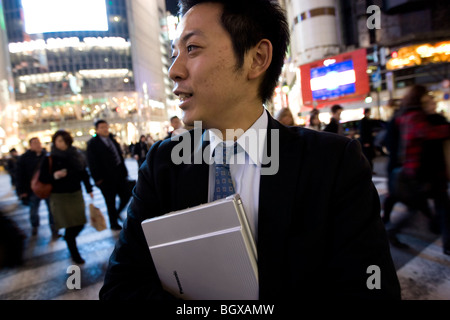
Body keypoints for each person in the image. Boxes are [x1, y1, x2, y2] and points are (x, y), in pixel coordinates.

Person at [100, 0, 400, 300]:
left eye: (192, 49)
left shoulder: (333, 163)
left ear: (257, 58)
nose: (174, 71)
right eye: (175, 53)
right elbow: (120, 285)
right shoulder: (164, 163)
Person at [383, 85, 450, 252]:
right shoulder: (413, 116)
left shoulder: (411, 115)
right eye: (427, 97)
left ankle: (443, 237)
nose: (431, 100)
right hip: (418, 172)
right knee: (423, 208)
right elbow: (425, 132)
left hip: (422, 171)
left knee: (430, 207)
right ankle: (391, 230)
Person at [37, 130, 94, 264]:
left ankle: (69, 238)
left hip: (75, 193)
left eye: (63, 140)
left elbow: (83, 172)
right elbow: (42, 178)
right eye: (58, 141)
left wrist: (89, 188)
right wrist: (54, 176)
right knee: (69, 225)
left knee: (80, 222)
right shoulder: (49, 158)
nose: (60, 143)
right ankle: (74, 252)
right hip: (59, 196)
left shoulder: (76, 154)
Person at [86, 120, 132, 230]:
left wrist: (124, 172)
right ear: (97, 130)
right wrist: (98, 179)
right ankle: (113, 223)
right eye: (102, 127)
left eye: (106, 127)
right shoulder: (92, 143)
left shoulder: (112, 139)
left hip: (119, 176)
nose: (105, 129)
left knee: (126, 194)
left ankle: (116, 213)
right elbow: (91, 163)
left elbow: (119, 157)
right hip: (105, 179)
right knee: (110, 201)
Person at [15, 137, 59, 238]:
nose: (38, 145)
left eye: (38, 142)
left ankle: (54, 229)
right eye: (34, 143)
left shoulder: (47, 155)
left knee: (52, 209)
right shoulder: (24, 158)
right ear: (30, 145)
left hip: (47, 187)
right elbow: (20, 175)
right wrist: (22, 191)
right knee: (33, 210)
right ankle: (35, 226)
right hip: (32, 189)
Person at [359, 108, 376, 173]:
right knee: (367, 157)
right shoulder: (364, 121)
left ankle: (370, 170)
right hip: (366, 141)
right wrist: (365, 142)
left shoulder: (367, 121)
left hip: (368, 141)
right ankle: (368, 170)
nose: (369, 114)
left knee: (369, 156)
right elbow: (363, 132)